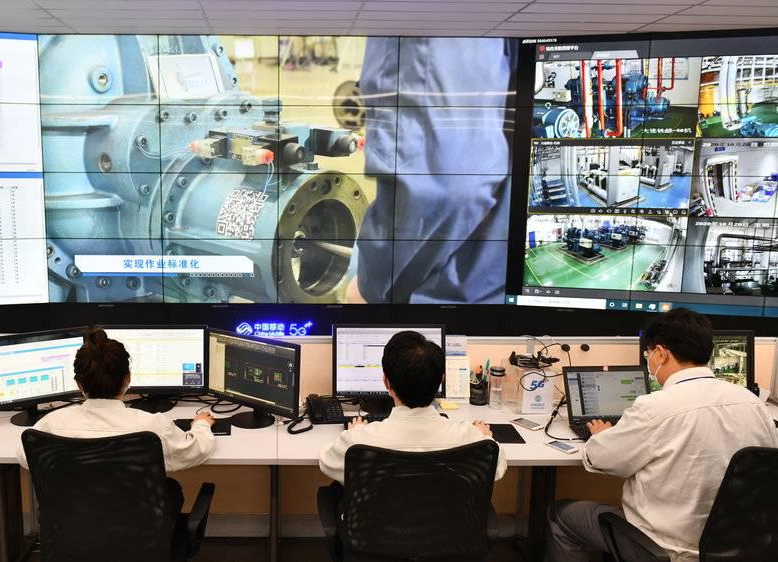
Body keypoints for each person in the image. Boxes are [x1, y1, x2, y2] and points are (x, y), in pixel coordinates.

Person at [547, 308, 778, 562]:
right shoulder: (753, 403)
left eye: (648, 354)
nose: (649, 360)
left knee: (562, 515)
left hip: (665, 550)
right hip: (736, 548)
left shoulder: (654, 407)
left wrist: (601, 436)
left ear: (660, 353)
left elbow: (601, 459)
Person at [349, 38, 518, 304]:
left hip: (426, 302)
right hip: (491, 286)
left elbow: (446, 185)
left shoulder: (431, 26)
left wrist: (371, 286)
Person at [16, 328, 216, 516]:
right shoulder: (153, 427)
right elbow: (197, 450)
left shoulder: (49, 426)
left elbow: (25, 457)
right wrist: (201, 424)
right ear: (127, 378)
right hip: (139, 530)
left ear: (78, 384)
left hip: (71, 531)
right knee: (172, 489)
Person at [319, 330, 507, 483]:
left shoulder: (358, 442)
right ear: (441, 380)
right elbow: (497, 469)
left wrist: (355, 433)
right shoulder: (472, 440)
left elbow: (326, 463)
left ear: (386, 382)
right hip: (446, 520)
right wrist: (485, 437)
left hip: (382, 520)